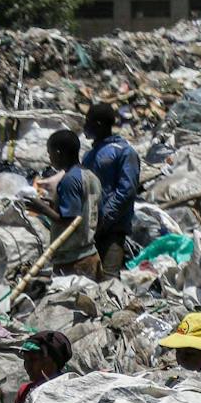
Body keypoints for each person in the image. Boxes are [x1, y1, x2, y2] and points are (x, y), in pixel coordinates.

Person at [26, 129, 100, 276]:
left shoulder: (69, 180)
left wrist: (41, 209)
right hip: (90, 253)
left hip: (73, 262)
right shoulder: (90, 175)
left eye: (50, 153)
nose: (49, 157)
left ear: (59, 152)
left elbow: (69, 222)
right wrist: (54, 205)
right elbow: (83, 211)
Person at [84, 103, 140, 281]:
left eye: (89, 122)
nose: (85, 126)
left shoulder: (124, 152)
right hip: (90, 229)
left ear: (99, 124)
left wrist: (104, 218)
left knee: (108, 280)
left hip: (113, 230)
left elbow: (127, 190)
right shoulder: (90, 155)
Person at [15, 330, 72, 403]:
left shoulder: (70, 389)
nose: (27, 366)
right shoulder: (24, 392)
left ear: (52, 361)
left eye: (33, 360)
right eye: (25, 360)